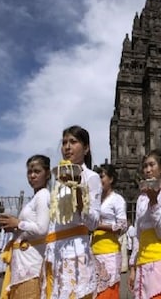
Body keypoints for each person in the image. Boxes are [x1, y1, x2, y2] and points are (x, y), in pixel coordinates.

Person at [41, 125, 101, 299]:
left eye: (73, 142)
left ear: (86, 148)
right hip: (54, 251)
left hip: (75, 252)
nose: (67, 147)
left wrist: (78, 194)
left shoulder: (91, 177)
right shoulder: (58, 179)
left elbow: (93, 223)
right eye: (64, 142)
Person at [0, 154, 51, 298]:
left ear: (47, 174)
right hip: (22, 262)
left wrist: (18, 223)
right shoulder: (35, 197)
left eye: (37, 172)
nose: (32, 176)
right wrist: (14, 227)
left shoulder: (43, 195)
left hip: (32, 263)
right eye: (29, 172)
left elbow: (42, 229)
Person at [128, 149, 161, 299]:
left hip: (160, 257)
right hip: (143, 259)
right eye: (145, 166)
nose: (147, 170)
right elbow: (138, 233)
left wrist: (154, 202)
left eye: (152, 165)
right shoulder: (141, 199)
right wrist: (133, 267)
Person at [92, 164, 127, 298]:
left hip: (110, 251)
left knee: (108, 292)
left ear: (111, 179)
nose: (99, 181)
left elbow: (122, 226)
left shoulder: (117, 200)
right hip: (94, 250)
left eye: (102, 177)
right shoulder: (95, 201)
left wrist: (99, 226)